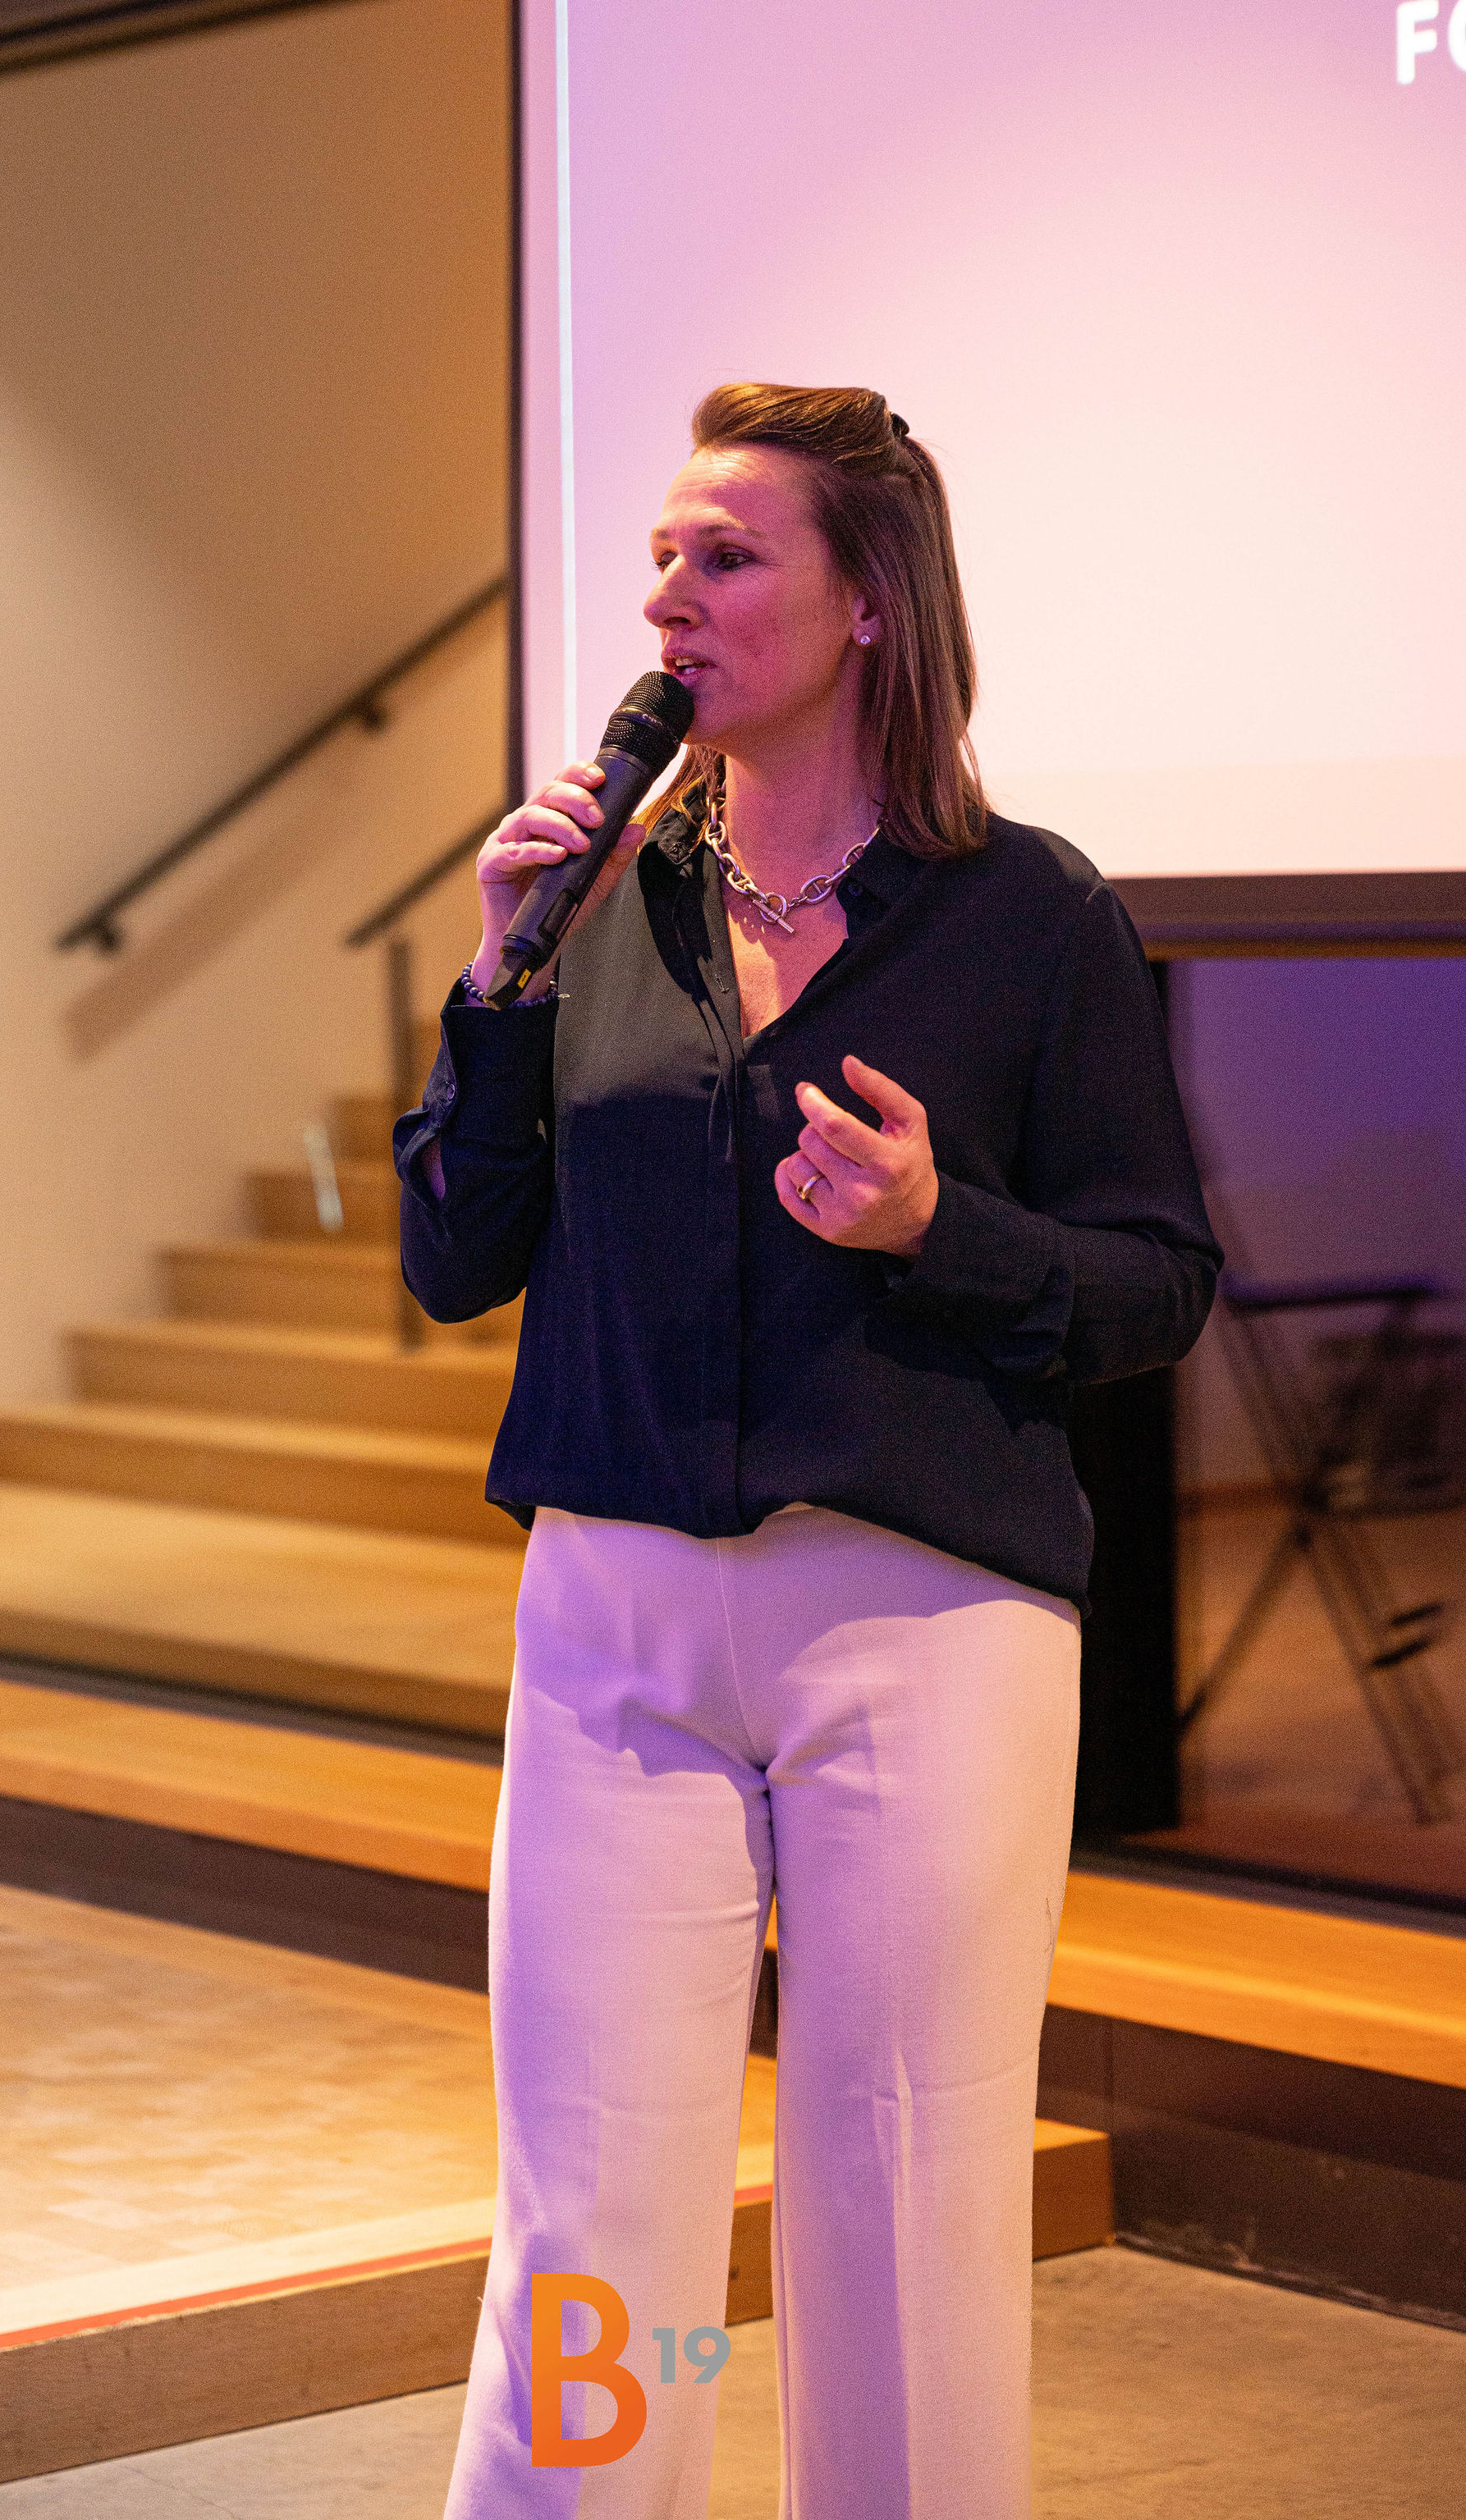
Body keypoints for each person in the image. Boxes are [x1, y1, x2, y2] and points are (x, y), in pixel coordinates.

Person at [396, 382, 1220, 2519]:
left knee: (905, 2192)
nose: (669, 596)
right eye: (661, 556)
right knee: (599, 2210)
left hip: (924, 1623)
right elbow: (453, 1256)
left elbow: (1157, 1284)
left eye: (727, 555)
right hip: (616, 1622)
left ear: (867, 601)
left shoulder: (1027, 915)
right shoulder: (595, 906)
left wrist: (943, 1226)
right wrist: (496, 981)